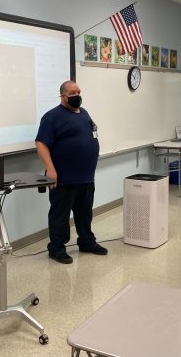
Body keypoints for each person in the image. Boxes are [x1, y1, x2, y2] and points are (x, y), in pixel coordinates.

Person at [35, 80, 108, 264]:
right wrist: (50, 169)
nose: (77, 96)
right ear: (63, 96)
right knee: (60, 215)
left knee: (85, 214)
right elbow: (41, 143)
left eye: (78, 92)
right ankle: (57, 249)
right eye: (73, 93)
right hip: (63, 178)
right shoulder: (52, 117)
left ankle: (86, 242)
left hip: (85, 177)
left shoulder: (84, 113)